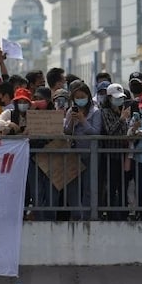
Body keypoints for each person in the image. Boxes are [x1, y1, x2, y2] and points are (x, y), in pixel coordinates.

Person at [63, 79, 101, 218]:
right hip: (74, 153)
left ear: (88, 97)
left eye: (82, 97)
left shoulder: (95, 112)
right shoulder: (70, 111)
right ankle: (76, 214)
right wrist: (73, 120)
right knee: (73, 187)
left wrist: (83, 121)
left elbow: (96, 132)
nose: (80, 100)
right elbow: (66, 131)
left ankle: (87, 215)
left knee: (89, 186)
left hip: (91, 153)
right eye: (77, 98)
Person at [97, 83, 131, 220]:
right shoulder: (105, 112)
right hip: (111, 154)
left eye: (121, 98)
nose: (119, 100)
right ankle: (110, 213)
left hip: (123, 154)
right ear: (109, 98)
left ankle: (123, 213)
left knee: (123, 185)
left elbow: (126, 131)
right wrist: (121, 119)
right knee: (111, 185)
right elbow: (110, 130)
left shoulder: (123, 111)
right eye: (116, 98)